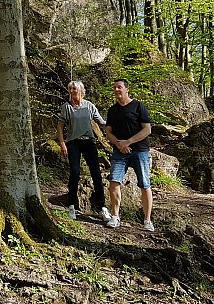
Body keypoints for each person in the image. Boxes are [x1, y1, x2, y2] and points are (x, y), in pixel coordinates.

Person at [104, 79, 154, 231]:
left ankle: (147, 220)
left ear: (127, 89)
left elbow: (147, 130)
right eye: (114, 88)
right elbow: (108, 133)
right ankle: (115, 216)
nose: (116, 90)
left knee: (145, 185)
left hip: (140, 151)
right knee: (114, 181)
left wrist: (129, 142)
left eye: (119, 87)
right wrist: (120, 144)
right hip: (119, 152)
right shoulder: (112, 110)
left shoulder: (139, 106)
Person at [57, 81, 111, 221]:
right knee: (75, 171)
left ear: (81, 90)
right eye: (70, 89)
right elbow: (60, 126)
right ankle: (71, 206)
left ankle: (103, 208)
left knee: (96, 173)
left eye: (74, 88)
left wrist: (116, 124)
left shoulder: (89, 106)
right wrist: (62, 144)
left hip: (88, 141)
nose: (71, 91)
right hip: (73, 143)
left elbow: (102, 123)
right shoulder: (67, 107)